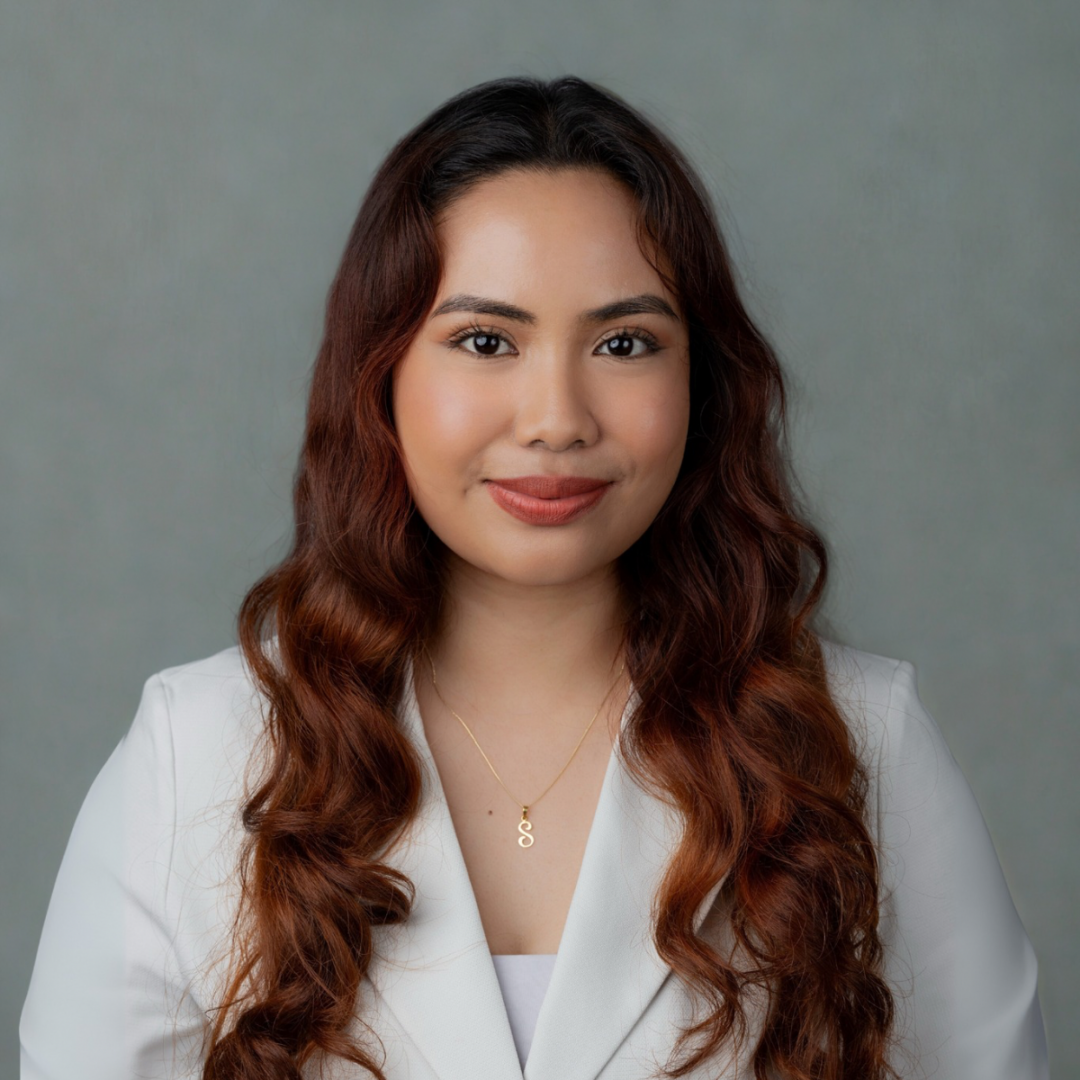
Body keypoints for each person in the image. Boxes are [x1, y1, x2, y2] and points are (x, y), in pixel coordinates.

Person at [20, 75, 1049, 1080]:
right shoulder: (195, 757)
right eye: (484, 340)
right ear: (381, 378)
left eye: (623, 341)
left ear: (703, 381)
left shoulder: (862, 743)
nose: (557, 417)